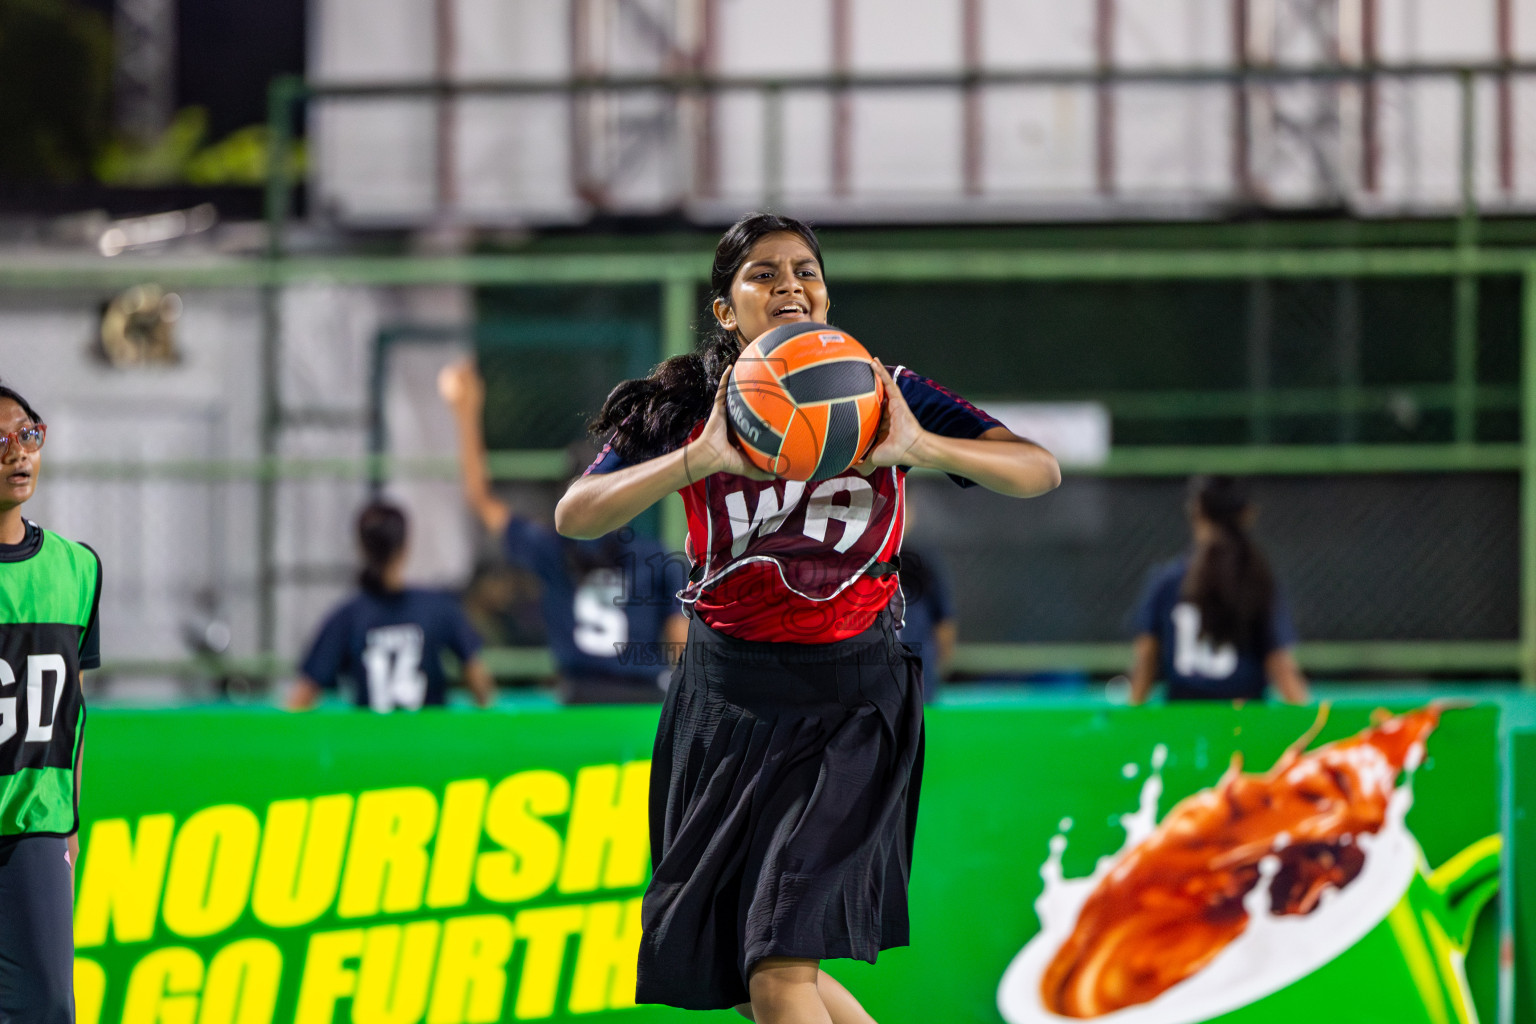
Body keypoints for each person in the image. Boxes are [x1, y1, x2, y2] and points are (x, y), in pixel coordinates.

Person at [555, 213, 1061, 1023]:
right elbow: (576, 514)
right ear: (726, 308)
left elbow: (1038, 469)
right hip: (724, 699)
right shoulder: (692, 403)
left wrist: (924, 448)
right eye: (763, 273)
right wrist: (699, 459)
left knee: (779, 969)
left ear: (825, 294)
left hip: (849, 702)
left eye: (805, 271)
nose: (790, 284)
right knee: (758, 956)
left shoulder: (884, 391)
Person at [440, 360, 689, 703]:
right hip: (641, 699)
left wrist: (465, 411)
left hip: (579, 694)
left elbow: (480, 499)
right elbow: (681, 641)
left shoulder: (549, 547)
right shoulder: (654, 553)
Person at [0, 382, 103, 1024]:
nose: (19, 453)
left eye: (28, 434)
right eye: (0, 441)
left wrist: (68, 818)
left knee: (47, 1009)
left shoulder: (77, 568)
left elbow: (74, 710)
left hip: (33, 826)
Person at [290, 501, 495, 711]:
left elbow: (302, 696)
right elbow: (479, 682)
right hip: (430, 741)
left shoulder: (347, 616)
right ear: (405, 546)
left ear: (361, 548)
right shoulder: (438, 608)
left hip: (370, 741)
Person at [1127, 475, 1310, 705]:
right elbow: (1280, 665)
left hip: (1181, 722)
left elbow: (1146, 657)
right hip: (1243, 723)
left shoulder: (1167, 581)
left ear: (1197, 513)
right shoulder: (1257, 579)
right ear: (1246, 515)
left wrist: (1131, 712)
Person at [894, 542, 957, 702]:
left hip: (919, 669)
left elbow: (944, 619)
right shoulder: (865, 562)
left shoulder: (923, 562)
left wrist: (941, 661)